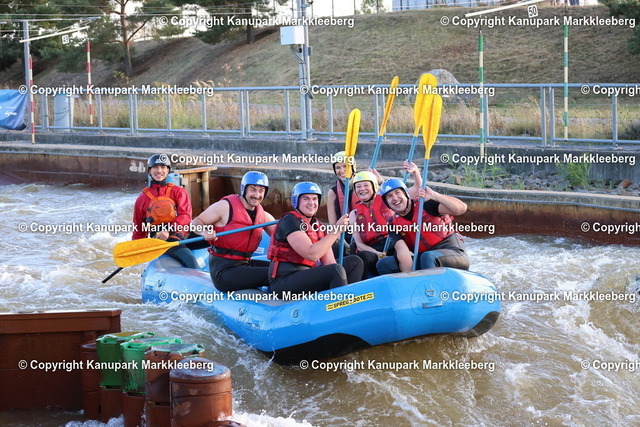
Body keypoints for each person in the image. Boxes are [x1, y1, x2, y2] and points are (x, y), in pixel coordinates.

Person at [267, 182, 364, 297]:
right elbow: (311, 254)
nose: (311, 203)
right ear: (296, 201)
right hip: (283, 281)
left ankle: (350, 299)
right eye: (306, 199)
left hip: (305, 274)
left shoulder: (318, 226)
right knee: (335, 270)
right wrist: (337, 229)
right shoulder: (290, 220)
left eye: (314, 199)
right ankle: (341, 304)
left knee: (354, 262)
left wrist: (340, 276)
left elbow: (329, 263)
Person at [191, 171, 277, 291]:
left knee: (282, 270)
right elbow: (195, 222)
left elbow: (283, 236)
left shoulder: (264, 216)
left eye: (261, 191)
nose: (257, 195)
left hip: (244, 264)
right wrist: (204, 232)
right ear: (244, 189)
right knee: (277, 276)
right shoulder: (225, 207)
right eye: (253, 189)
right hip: (223, 270)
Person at [376, 178, 469, 274]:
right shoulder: (392, 224)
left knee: (428, 257)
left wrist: (434, 195)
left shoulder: (426, 204)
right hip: (425, 258)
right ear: (387, 203)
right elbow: (403, 253)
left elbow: (461, 209)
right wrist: (409, 276)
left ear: (406, 194)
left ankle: (431, 284)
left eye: (397, 192)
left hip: (453, 254)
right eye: (389, 196)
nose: (395, 198)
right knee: (384, 264)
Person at [349, 161, 422, 278]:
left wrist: (415, 172)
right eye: (358, 186)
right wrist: (377, 253)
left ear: (374, 186)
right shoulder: (354, 214)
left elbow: (418, 188)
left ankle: (408, 276)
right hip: (373, 249)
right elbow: (359, 244)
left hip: (394, 242)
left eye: (366, 185)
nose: (362, 189)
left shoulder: (388, 199)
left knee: (403, 252)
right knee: (364, 257)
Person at [132, 153, 197, 268]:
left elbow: (186, 216)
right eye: (155, 167)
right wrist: (137, 249)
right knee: (189, 259)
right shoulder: (142, 199)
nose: (159, 171)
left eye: (163, 167)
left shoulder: (178, 192)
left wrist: (168, 229)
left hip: (178, 233)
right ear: (149, 170)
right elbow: (139, 229)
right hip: (159, 239)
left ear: (168, 170)